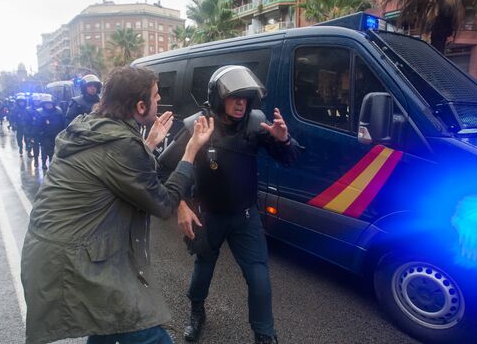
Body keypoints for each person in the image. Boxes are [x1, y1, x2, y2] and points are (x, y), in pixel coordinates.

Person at [20, 65, 214, 344]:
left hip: (58, 250)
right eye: (156, 96)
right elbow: (162, 204)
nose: (159, 101)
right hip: (72, 259)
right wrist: (191, 151)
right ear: (139, 105)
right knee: (142, 328)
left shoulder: (94, 125)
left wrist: (146, 144)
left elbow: (116, 171)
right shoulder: (122, 143)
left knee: (107, 326)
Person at [158, 65, 300, 344]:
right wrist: (182, 205)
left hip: (245, 217)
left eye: (245, 98)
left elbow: (289, 158)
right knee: (203, 270)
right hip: (207, 216)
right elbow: (163, 170)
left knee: (259, 277)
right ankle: (196, 312)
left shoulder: (255, 124)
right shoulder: (198, 126)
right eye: (235, 97)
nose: (241, 103)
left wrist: (284, 140)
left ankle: (265, 333)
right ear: (218, 97)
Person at [32, 94, 64, 170]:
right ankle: (43, 162)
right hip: (45, 136)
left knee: (55, 151)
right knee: (45, 150)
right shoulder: (40, 112)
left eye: (50, 103)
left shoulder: (59, 111)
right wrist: (38, 134)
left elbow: (63, 122)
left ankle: (52, 164)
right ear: (44, 104)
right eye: (46, 104)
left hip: (57, 135)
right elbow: (37, 125)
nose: (48, 105)